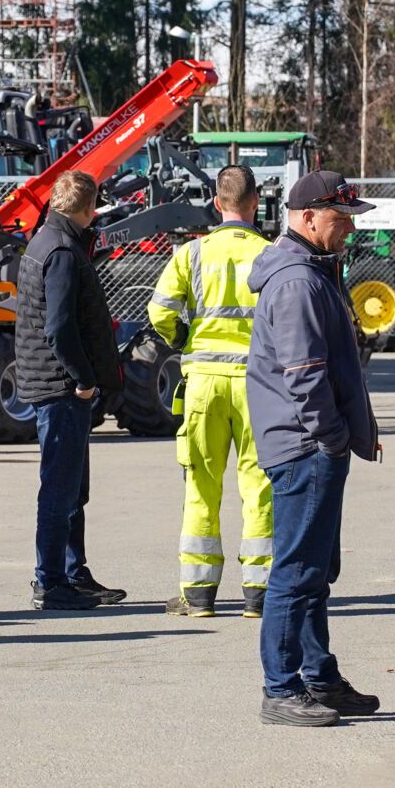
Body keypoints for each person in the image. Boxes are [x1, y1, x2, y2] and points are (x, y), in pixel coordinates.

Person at [246, 169, 382, 727]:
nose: (349, 227)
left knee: (314, 570)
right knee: (297, 571)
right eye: (340, 217)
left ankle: (317, 676)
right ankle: (281, 688)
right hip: (305, 447)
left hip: (308, 445)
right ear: (307, 218)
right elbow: (304, 374)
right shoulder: (298, 281)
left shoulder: (311, 272)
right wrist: (329, 438)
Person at [147, 165, 274, 618]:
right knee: (259, 487)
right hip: (257, 386)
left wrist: (186, 342)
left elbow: (160, 312)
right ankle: (258, 595)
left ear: (218, 204)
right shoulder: (270, 253)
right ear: (255, 202)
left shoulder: (191, 254)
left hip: (202, 383)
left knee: (201, 487)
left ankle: (198, 595)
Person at [14, 170, 126, 612]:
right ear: (87, 207)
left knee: (71, 489)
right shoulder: (61, 250)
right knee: (60, 490)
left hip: (52, 382)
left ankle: (74, 573)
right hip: (61, 388)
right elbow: (59, 327)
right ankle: (51, 582)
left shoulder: (47, 239)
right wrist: (83, 378)